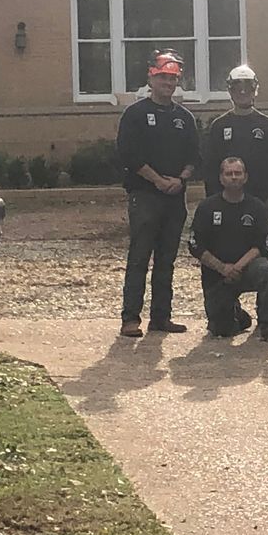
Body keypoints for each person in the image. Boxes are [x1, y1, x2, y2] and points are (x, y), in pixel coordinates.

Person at [116, 49, 201, 337]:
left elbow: (195, 156)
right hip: (145, 197)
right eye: (163, 77)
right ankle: (130, 318)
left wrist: (180, 179)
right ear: (151, 78)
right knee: (139, 257)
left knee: (167, 260)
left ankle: (161, 317)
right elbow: (129, 155)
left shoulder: (185, 118)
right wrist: (157, 180)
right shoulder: (135, 114)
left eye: (173, 78)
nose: (168, 82)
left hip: (175, 198)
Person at [189, 154, 268, 344]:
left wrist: (237, 267)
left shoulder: (257, 207)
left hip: (248, 267)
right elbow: (195, 245)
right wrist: (222, 268)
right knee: (222, 330)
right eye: (229, 173)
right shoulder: (207, 207)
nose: (234, 177)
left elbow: (262, 245)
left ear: (245, 177)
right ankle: (238, 315)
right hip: (217, 273)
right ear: (221, 178)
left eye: (238, 173)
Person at [203, 63, 268, 215]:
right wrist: (212, 198)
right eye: (237, 88)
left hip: (260, 198)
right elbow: (210, 166)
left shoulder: (266, 125)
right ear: (230, 91)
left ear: (255, 91)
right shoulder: (219, 126)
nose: (242, 92)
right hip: (225, 199)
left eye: (248, 87)